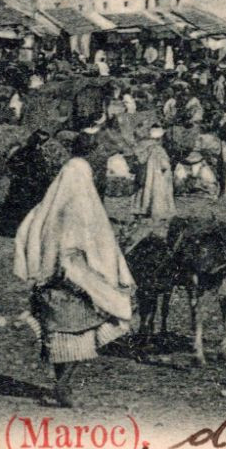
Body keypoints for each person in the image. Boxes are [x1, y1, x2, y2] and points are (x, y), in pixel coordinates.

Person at [14, 157, 136, 408]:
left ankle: (63, 384)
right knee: (83, 337)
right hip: (75, 285)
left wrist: (37, 268)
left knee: (59, 340)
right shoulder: (83, 207)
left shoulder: (44, 208)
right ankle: (63, 385)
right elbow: (93, 246)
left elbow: (25, 236)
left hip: (48, 287)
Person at [131, 125, 176, 220]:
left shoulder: (144, 147)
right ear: (160, 137)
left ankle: (142, 209)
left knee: (144, 190)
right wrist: (167, 168)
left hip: (146, 174)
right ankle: (158, 211)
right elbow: (164, 164)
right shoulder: (159, 149)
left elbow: (139, 160)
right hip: (158, 174)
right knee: (158, 191)